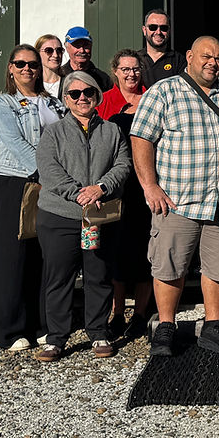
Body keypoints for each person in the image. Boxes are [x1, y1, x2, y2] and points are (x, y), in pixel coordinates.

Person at [131, 36, 219, 356]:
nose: (212, 62)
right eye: (206, 56)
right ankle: (166, 328)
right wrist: (150, 185)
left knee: (218, 267)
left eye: (217, 57)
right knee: (169, 266)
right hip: (177, 200)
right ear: (189, 56)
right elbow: (141, 138)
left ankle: (213, 326)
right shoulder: (165, 91)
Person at [32, 71, 131, 362]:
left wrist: (101, 188)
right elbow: (48, 169)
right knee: (59, 277)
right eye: (75, 94)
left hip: (98, 215)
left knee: (98, 275)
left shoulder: (112, 131)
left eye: (88, 92)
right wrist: (77, 193)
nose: (82, 98)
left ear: (97, 96)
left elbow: (123, 164)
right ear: (66, 99)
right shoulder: (53, 133)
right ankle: (56, 338)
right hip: (60, 214)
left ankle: (98, 332)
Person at [0, 44, 66, 352]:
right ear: (10, 67)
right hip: (16, 180)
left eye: (32, 64)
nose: (27, 69)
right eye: (20, 63)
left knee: (43, 253)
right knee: (12, 255)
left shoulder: (54, 103)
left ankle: (41, 324)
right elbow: (13, 141)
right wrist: (45, 172)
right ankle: (10, 329)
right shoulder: (4, 103)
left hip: (51, 183)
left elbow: (65, 138)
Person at [96, 49, 152, 339]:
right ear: (115, 71)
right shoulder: (103, 101)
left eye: (136, 68)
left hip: (146, 187)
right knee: (116, 254)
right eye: (125, 69)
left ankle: (141, 313)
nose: (131, 74)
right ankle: (117, 313)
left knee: (145, 253)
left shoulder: (152, 99)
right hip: (116, 187)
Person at [138, 8, 186, 89]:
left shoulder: (179, 61)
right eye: (153, 27)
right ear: (144, 30)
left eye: (163, 28)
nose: (158, 32)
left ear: (169, 30)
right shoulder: (136, 59)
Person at [59, 26, 112, 94]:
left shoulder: (103, 79)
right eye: (77, 46)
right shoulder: (59, 76)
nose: (82, 50)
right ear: (67, 47)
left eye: (86, 45)